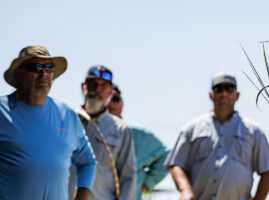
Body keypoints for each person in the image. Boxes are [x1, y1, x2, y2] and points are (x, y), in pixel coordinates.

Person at [0, 45, 96, 200]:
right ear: (19, 74)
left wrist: (82, 197)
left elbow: (88, 162)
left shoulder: (68, 115)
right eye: (35, 67)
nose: (43, 73)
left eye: (49, 67)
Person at [165, 72, 269, 200]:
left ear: (237, 95)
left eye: (229, 89)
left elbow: (267, 172)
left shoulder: (254, 131)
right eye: (218, 89)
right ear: (211, 95)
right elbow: (176, 163)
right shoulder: (191, 129)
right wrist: (185, 190)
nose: (224, 93)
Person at [70, 65, 137, 200]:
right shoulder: (66, 121)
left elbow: (128, 177)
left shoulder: (121, 129)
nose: (97, 89)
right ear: (84, 87)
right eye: (93, 84)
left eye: (103, 85)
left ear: (111, 92)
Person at [108, 84, 170, 200]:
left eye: (115, 99)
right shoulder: (86, 131)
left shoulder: (136, 133)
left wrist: (147, 182)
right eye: (107, 98)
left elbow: (166, 156)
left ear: (122, 103)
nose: (111, 103)